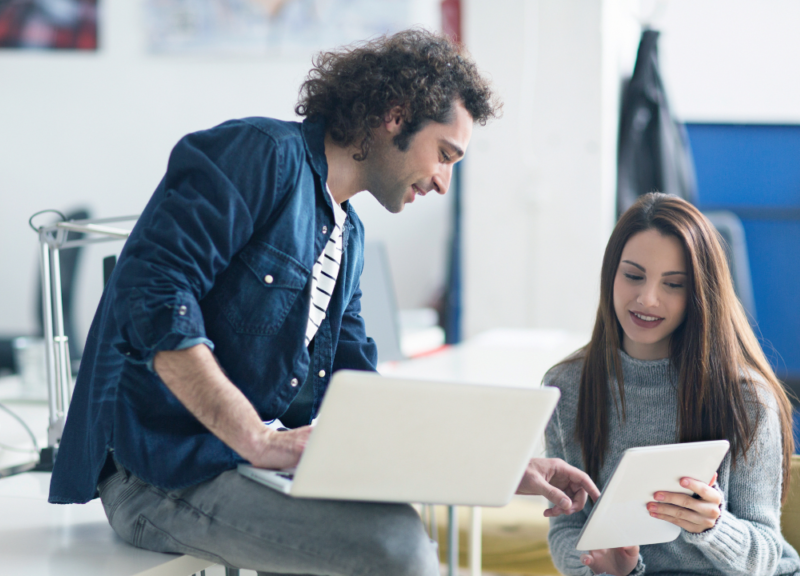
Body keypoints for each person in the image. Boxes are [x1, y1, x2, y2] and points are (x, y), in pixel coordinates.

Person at [48, 29, 599, 575]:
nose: (442, 182)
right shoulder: (259, 155)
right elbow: (152, 294)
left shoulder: (348, 238)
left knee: (398, 528)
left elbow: (357, 398)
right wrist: (256, 438)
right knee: (393, 545)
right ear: (394, 114)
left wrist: (497, 466)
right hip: (158, 473)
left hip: (241, 468)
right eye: (444, 154)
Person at [544, 193, 800, 576]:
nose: (647, 298)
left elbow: (766, 557)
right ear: (610, 274)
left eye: (674, 285)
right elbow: (567, 528)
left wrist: (713, 527)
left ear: (700, 294)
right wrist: (604, 568)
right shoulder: (567, 386)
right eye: (633, 275)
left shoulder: (747, 398)